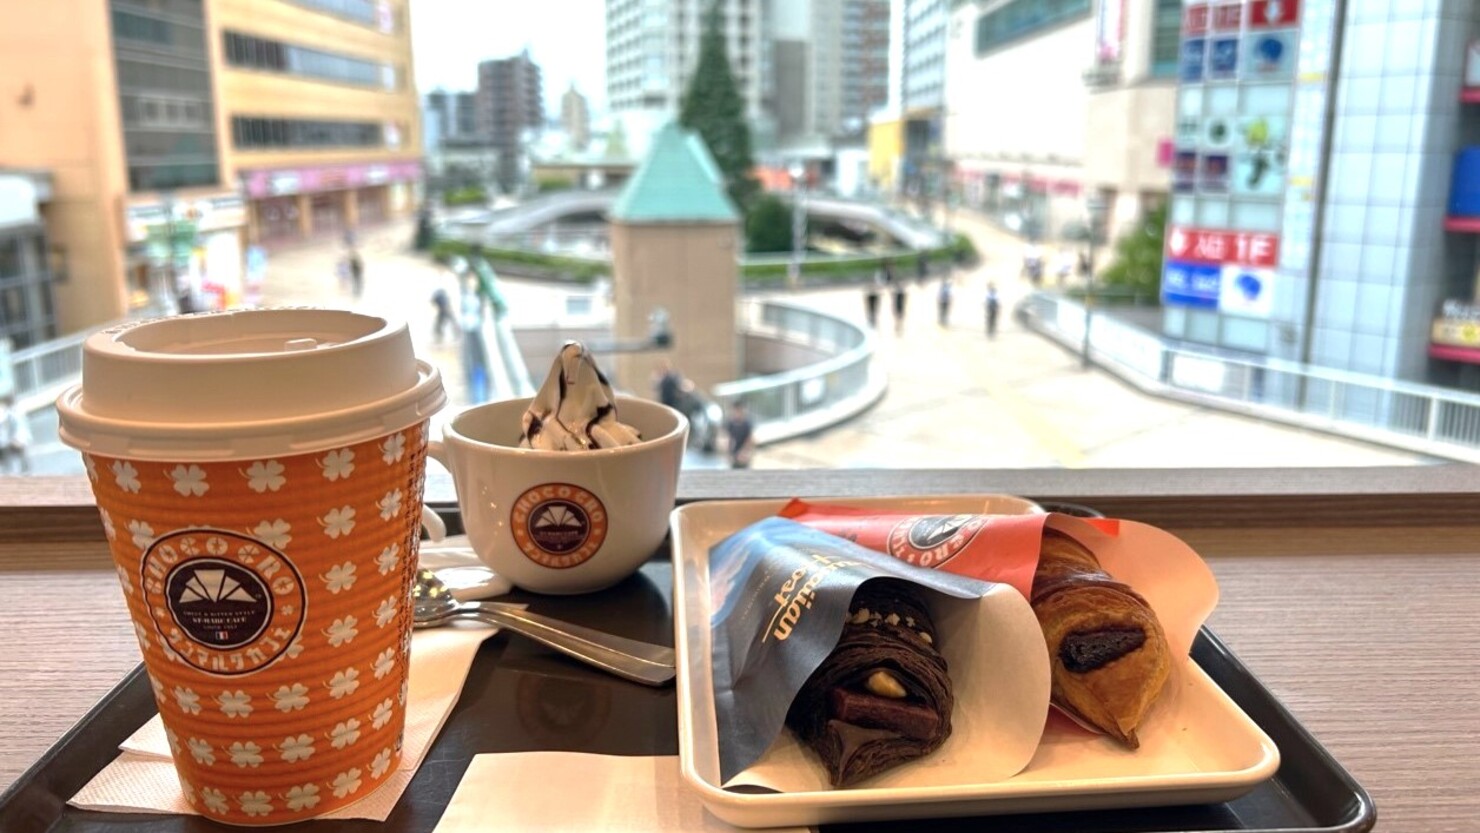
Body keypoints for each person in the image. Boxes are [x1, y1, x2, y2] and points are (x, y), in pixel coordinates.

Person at [0, 396, 31, 475]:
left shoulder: (12, 413)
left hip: (15, 440)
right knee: (10, 461)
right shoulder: (9, 414)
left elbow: (19, 426)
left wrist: (16, 438)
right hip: (10, 441)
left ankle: (24, 473)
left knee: (20, 459)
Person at [724, 400, 755, 469]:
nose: (736, 413)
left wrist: (743, 453)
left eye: (738, 411)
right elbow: (729, 439)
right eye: (734, 411)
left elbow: (750, 440)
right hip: (734, 456)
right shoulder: (731, 423)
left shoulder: (747, 424)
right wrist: (728, 454)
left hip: (744, 456)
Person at [889, 264, 907, 335]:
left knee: (899, 318)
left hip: (899, 305)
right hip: (898, 305)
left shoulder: (900, 291)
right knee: (898, 318)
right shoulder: (899, 291)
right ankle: (898, 327)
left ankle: (899, 327)